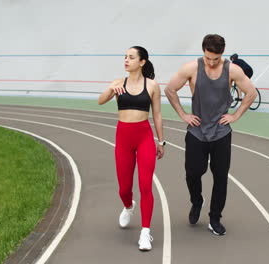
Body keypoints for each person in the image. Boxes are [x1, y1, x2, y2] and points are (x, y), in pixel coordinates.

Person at [164, 34, 257, 236]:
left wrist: (235, 115)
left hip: (221, 132)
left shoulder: (232, 70)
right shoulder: (191, 68)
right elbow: (170, 90)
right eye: (208, 58)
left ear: (222, 54)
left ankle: (215, 218)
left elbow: (251, 92)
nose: (212, 63)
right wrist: (183, 114)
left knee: (220, 177)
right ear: (203, 52)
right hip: (197, 131)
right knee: (193, 173)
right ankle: (197, 201)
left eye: (216, 59)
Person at [98, 46, 165, 251]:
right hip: (124, 138)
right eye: (125, 57)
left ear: (142, 62)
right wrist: (111, 89)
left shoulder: (152, 85)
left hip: (144, 137)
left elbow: (157, 114)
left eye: (131, 57)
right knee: (124, 189)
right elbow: (100, 101)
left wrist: (161, 142)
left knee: (146, 185)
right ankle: (128, 206)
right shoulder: (118, 83)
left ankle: (145, 232)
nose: (126, 60)